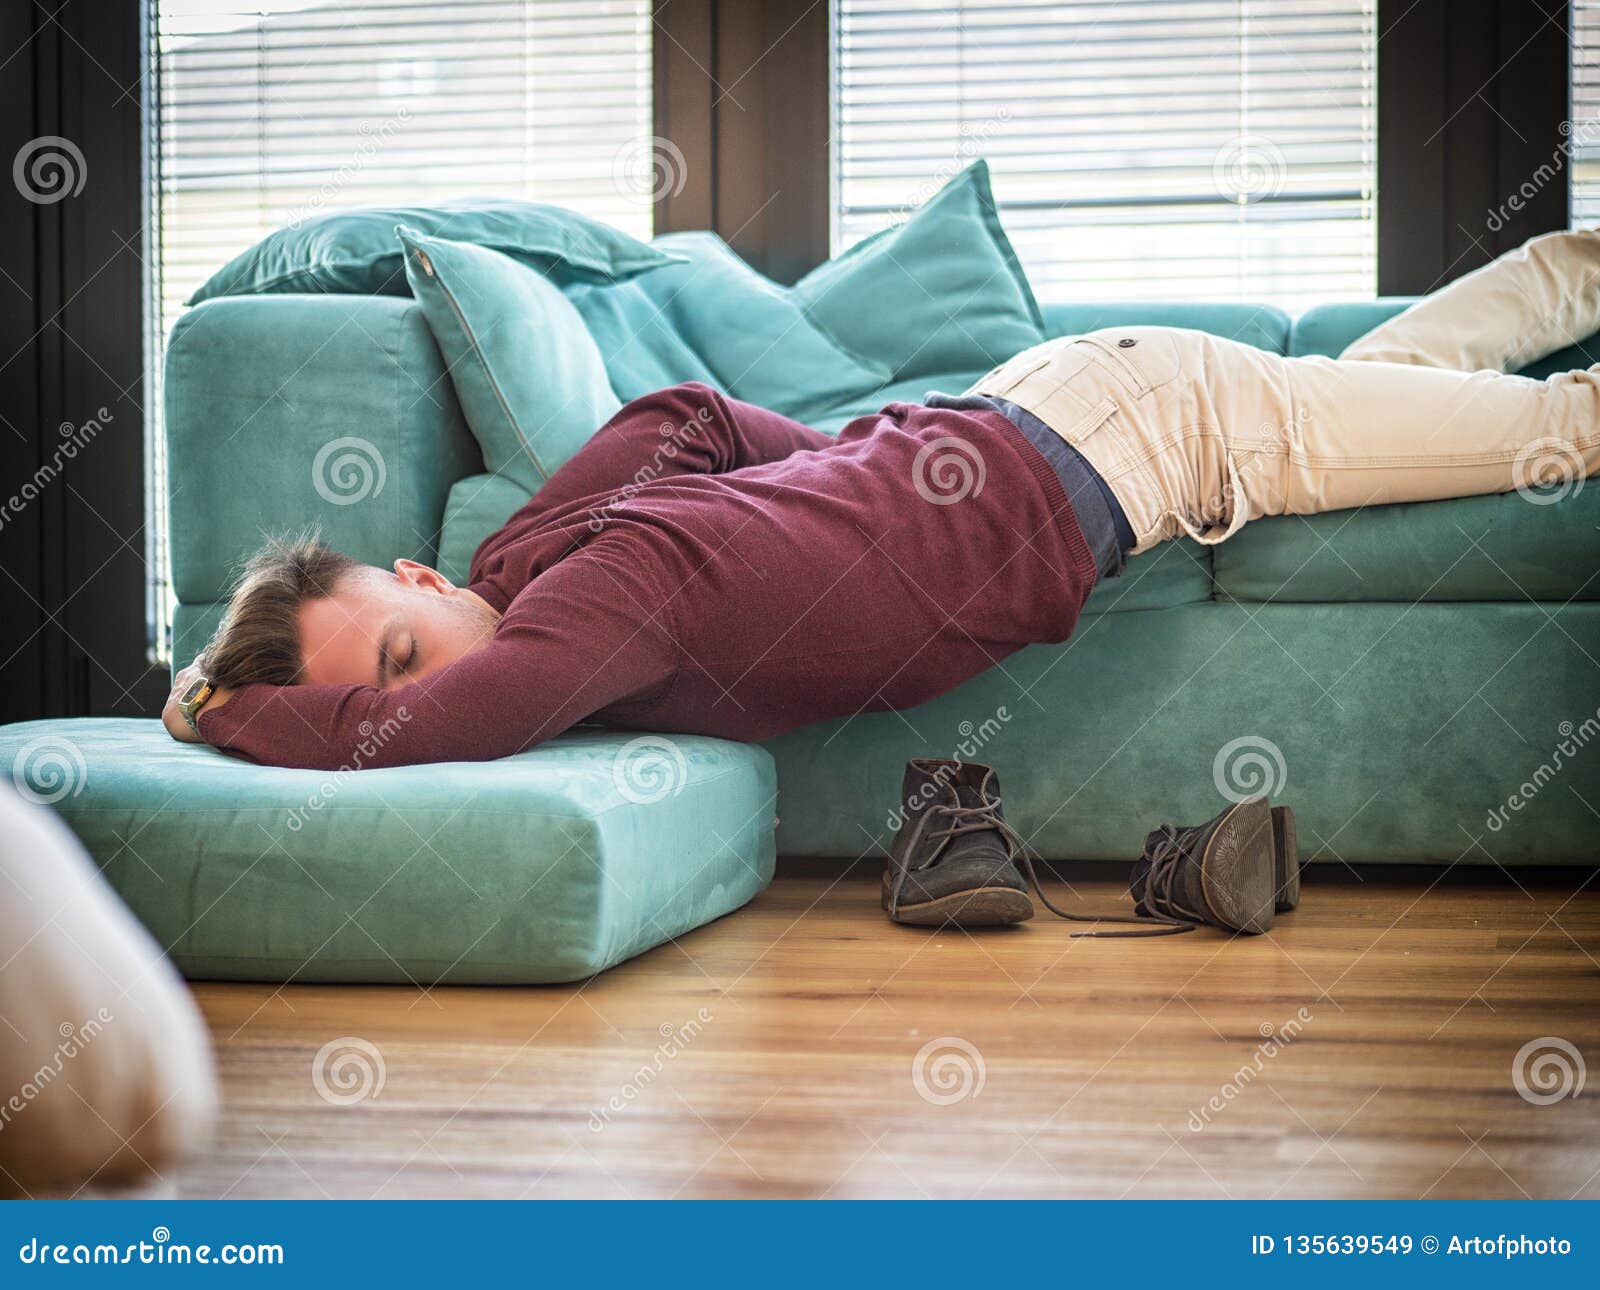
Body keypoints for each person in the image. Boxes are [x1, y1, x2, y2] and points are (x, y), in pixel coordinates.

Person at [159, 229, 1600, 931]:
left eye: (405, 650)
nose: (435, 689)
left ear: (424, 575)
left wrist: (221, 707)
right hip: (1052, 407)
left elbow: (433, 726)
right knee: (1391, 393)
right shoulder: (533, 553)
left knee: (1555, 435)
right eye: (390, 686)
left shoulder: (575, 601)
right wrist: (853, 473)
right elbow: (697, 424)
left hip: (1146, 430)